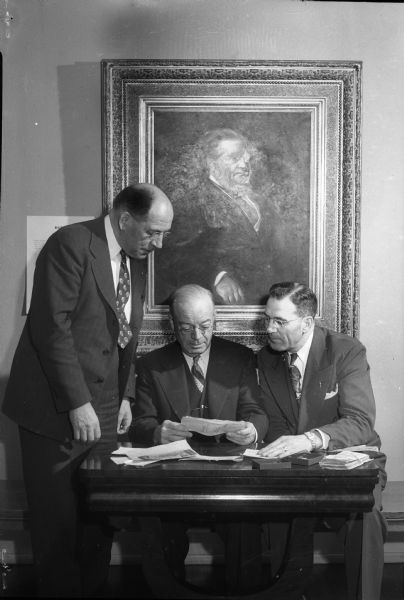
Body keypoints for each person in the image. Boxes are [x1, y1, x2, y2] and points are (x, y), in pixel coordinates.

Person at [2, 183, 173, 597]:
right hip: (57, 409)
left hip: (109, 407)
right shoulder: (71, 243)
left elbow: (125, 333)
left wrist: (127, 393)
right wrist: (78, 403)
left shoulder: (137, 256)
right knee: (57, 530)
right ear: (125, 219)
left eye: (164, 233)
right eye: (153, 231)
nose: (160, 243)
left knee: (98, 521)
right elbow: (50, 331)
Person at [131, 283, 268, 590]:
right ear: (172, 325)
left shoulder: (240, 358)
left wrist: (251, 430)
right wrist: (157, 431)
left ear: (215, 320)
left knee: (245, 526)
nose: (197, 338)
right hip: (173, 480)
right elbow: (139, 423)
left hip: (229, 477)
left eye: (205, 327)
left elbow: (256, 411)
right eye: (186, 328)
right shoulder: (152, 366)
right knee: (158, 529)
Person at [256, 281, 387, 600]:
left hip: (349, 466)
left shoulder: (345, 351)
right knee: (276, 510)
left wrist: (309, 439)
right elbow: (271, 426)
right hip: (294, 473)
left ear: (307, 322)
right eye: (267, 319)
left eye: (279, 321)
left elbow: (359, 422)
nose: (269, 328)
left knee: (366, 515)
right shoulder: (266, 360)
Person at [155, 128, 308, 305]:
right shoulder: (193, 203)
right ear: (211, 164)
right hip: (226, 305)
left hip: (270, 303)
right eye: (235, 158)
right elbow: (171, 258)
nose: (245, 165)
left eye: (246, 159)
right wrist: (217, 277)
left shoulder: (263, 204)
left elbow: (284, 253)